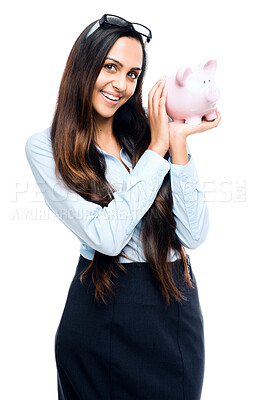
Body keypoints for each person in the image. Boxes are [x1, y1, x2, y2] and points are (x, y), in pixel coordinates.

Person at [25, 14, 221, 400]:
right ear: (83, 67)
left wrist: (176, 142)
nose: (121, 84)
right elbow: (107, 237)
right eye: (110, 67)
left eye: (133, 74)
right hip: (101, 310)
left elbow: (193, 234)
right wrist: (157, 150)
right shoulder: (46, 147)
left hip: (174, 308)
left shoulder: (151, 133)